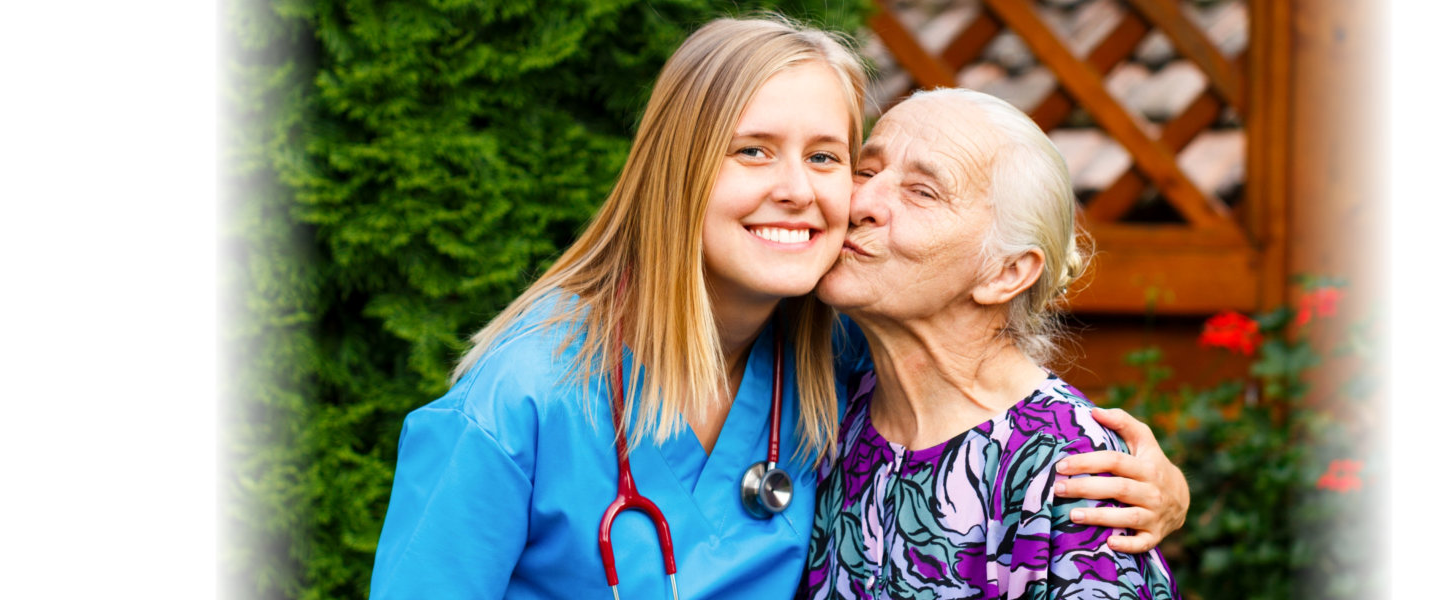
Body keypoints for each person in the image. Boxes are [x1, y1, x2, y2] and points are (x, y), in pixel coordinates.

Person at [369, 16, 1186, 600]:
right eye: (752, 150)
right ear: (678, 171)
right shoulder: (518, 402)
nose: (800, 190)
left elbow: (982, 388)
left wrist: (1156, 487)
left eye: (827, 157)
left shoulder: (837, 362)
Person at [798, 88, 1178, 599]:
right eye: (865, 171)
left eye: (922, 192)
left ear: (1005, 273)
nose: (860, 202)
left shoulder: (1068, 469)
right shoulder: (831, 391)